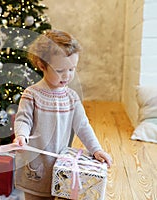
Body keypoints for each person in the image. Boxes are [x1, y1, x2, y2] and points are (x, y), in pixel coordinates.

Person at [13, 29, 112, 200]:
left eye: (72, 69)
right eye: (60, 70)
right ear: (42, 65)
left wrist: (96, 149)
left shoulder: (72, 98)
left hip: (62, 165)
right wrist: (21, 135)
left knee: (61, 194)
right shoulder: (32, 94)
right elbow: (23, 119)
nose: (67, 75)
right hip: (36, 164)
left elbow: (83, 126)